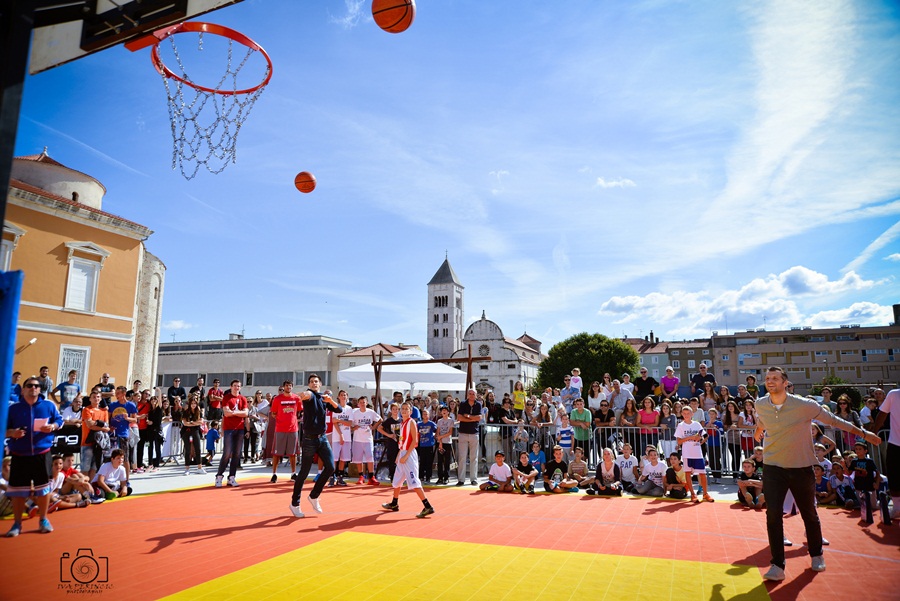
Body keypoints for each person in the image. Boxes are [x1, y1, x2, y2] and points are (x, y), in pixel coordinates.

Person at [754, 366, 881, 581]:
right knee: (773, 515)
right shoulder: (760, 404)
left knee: (809, 514)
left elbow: (833, 420)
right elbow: (763, 420)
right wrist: (758, 429)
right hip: (773, 467)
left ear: (785, 382)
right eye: (767, 378)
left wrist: (863, 433)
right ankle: (777, 565)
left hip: (802, 467)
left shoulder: (805, 405)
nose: (770, 381)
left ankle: (816, 554)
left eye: (775, 378)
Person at [5, 376, 64, 536]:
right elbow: (3, 428)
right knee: (18, 491)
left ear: (40, 389)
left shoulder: (48, 406)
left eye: (36, 386)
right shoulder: (13, 409)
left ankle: (43, 519)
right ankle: (17, 524)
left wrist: (52, 426)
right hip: (19, 454)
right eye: (29, 385)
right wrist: (12, 433)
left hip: (41, 454)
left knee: (43, 490)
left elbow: (60, 420)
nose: (33, 388)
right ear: (23, 389)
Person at [289, 374, 342, 518]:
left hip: (322, 438)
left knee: (331, 467)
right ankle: (295, 504)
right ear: (309, 384)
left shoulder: (323, 398)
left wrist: (330, 399)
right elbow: (305, 395)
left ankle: (314, 496)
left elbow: (339, 410)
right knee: (304, 473)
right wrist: (301, 395)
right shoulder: (310, 395)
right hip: (309, 440)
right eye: (311, 382)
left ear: (320, 384)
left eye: (316, 381)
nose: (314, 383)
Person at [380, 402, 436, 517]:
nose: (404, 410)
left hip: (409, 455)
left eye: (407, 409)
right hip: (403, 453)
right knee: (397, 480)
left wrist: (405, 455)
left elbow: (415, 441)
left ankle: (427, 506)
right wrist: (399, 454)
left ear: (411, 411)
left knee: (414, 481)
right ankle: (394, 503)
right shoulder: (402, 423)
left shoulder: (411, 422)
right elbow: (402, 441)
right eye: (403, 409)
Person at [871, 388, 900, 521]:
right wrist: (874, 432)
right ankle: (897, 507)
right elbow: (882, 414)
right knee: (893, 474)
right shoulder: (893, 394)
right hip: (895, 443)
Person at [214, 380, 249, 488]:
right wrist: (238, 413)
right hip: (229, 428)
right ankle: (219, 476)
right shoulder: (226, 398)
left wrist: (234, 413)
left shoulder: (243, 399)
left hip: (240, 428)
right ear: (231, 386)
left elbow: (246, 413)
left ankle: (232, 477)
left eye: (238, 386)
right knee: (227, 453)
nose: (236, 388)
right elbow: (226, 413)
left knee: (237, 454)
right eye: (234, 386)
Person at [675, 405, 713, 503]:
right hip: (687, 453)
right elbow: (679, 441)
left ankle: (705, 494)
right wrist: (691, 437)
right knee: (688, 473)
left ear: (692, 414)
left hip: (697, 453)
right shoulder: (681, 425)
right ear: (682, 414)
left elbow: (704, 435)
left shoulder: (697, 424)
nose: (686, 415)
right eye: (684, 413)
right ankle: (693, 494)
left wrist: (700, 441)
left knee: (702, 473)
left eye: (688, 413)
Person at [269, 381, 301, 483]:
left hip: (293, 429)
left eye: (290, 386)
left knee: (293, 453)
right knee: (276, 453)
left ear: (292, 387)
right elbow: (273, 413)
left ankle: (293, 473)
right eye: (286, 386)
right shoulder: (277, 399)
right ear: (284, 387)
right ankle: (274, 474)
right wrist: (282, 418)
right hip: (280, 429)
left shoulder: (296, 398)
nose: (288, 387)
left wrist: (294, 419)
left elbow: (300, 411)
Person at [107, 386, 138, 482]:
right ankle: (110, 478)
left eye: (118, 393)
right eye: (116, 393)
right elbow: (108, 418)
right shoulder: (112, 405)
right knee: (111, 457)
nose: (116, 395)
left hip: (124, 434)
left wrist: (127, 418)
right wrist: (109, 427)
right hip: (113, 434)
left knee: (125, 457)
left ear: (124, 394)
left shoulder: (131, 405)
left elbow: (135, 419)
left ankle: (126, 480)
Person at [351, 396, 382, 485]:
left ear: (366, 403)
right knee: (358, 459)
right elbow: (349, 423)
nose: (362, 404)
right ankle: (361, 476)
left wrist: (374, 427)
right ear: (358, 404)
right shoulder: (354, 412)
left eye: (364, 402)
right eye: (360, 402)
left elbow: (380, 420)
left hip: (368, 439)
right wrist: (353, 428)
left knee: (370, 457)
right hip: (357, 439)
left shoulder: (371, 412)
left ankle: (371, 477)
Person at [456, 389, 482, 486]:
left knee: (474, 457)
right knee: (462, 457)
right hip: (463, 433)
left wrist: (467, 416)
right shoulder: (463, 404)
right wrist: (472, 418)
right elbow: (459, 418)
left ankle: (473, 479)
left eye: (473, 394)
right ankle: (461, 479)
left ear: (475, 395)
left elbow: (479, 418)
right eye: (470, 394)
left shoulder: (478, 404)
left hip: (474, 433)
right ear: (467, 395)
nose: (471, 395)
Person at [329, 390, 353, 487]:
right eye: (341, 395)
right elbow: (334, 422)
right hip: (337, 437)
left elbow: (350, 423)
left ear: (347, 397)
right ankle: (331, 477)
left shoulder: (349, 409)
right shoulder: (335, 407)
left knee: (343, 459)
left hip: (347, 437)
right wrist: (340, 435)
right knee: (334, 458)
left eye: (345, 395)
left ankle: (340, 477)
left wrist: (339, 420)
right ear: (338, 397)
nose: (343, 397)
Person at [181, 394, 205, 475]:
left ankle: (200, 467)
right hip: (186, 432)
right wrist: (193, 423)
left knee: (198, 449)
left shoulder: (198, 412)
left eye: (195, 403)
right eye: (192, 403)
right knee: (187, 450)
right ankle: (187, 468)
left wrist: (191, 423)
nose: (193, 405)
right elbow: (185, 423)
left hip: (196, 431)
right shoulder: (186, 412)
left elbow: (201, 422)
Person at [435, 405, 454, 485]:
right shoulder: (439, 421)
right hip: (440, 442)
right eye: (443, 410)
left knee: (447, 461)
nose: (444, 411)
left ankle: (446, 477)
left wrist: (441, 437)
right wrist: (439, 440)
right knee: (439, 461)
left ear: (448, 412)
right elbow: (438, 431)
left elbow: (450, 432)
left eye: (446, 410)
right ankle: (440, 477)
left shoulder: (450, 421)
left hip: (447, 442)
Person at [417, 408, 437, 483]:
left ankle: (428, 476)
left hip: (429, 445)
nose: (425, 415)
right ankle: (421, 476)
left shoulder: (431, 424)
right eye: (424, 414)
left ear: (429, 415)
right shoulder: (419, 424)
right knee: (422, 461)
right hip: (422, 445)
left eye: (426, 414)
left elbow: (436, 430)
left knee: (429, 462)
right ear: (422, 415)